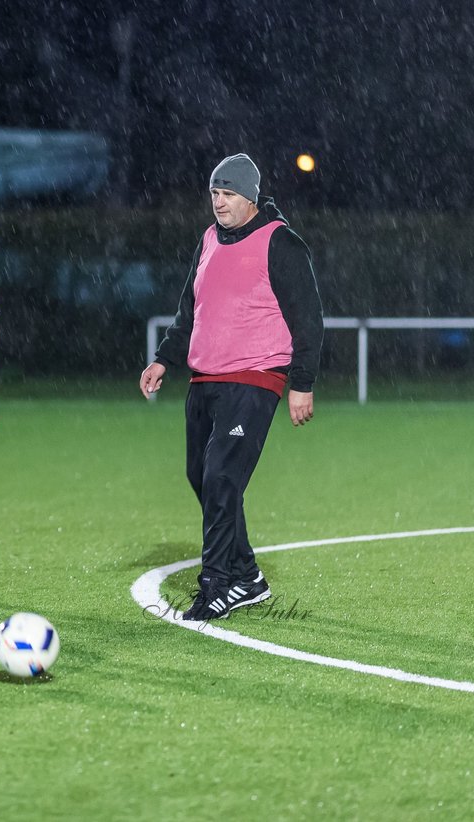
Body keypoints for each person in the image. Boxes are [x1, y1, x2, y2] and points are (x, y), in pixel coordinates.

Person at [139, 153, 323, 622]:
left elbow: (309, 320)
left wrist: (301, 384)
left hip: (255, 378)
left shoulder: (280, 243)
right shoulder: (208, 240)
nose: (218, 202)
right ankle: (248, 577)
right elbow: (190, 309)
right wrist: (164, 358)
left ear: (250, 197)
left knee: (222, 478)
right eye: (214, 194)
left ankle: (217, 585)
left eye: (228, 194)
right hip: (204, 379)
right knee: (203, 478)